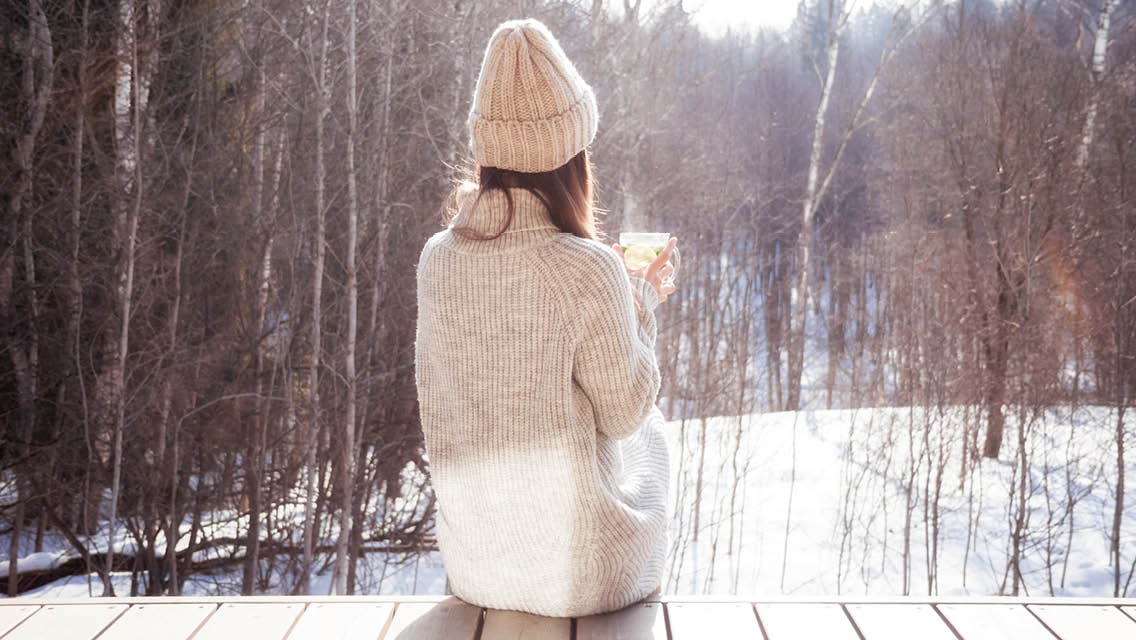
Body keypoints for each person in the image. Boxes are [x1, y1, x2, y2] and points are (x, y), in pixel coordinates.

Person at [413, 17, 677, 618]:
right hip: (575, 576)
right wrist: (638, 299)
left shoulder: (436, 259)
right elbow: (624, 411)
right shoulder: (585, 270)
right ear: (572, 157)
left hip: (476, 567)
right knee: (653, 438)